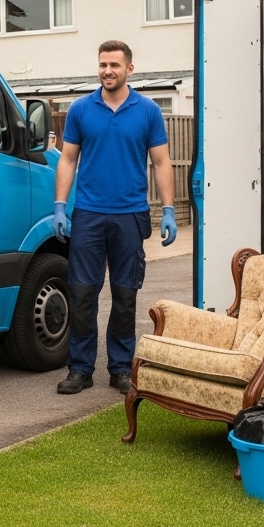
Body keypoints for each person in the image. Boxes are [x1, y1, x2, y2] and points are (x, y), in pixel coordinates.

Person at [52, 40, 176, 395]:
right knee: (82, 294)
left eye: (114, 65)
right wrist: (60, 205)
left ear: (129, 69)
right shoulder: (80, 109)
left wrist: (168, 209)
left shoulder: (148, 111)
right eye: (103, 64)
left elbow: (161, 162)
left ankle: (121, 368)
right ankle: (80, 369)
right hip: (89, 215)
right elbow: (68, 159)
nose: (107, 71)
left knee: (125, 296)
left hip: (130, 216)